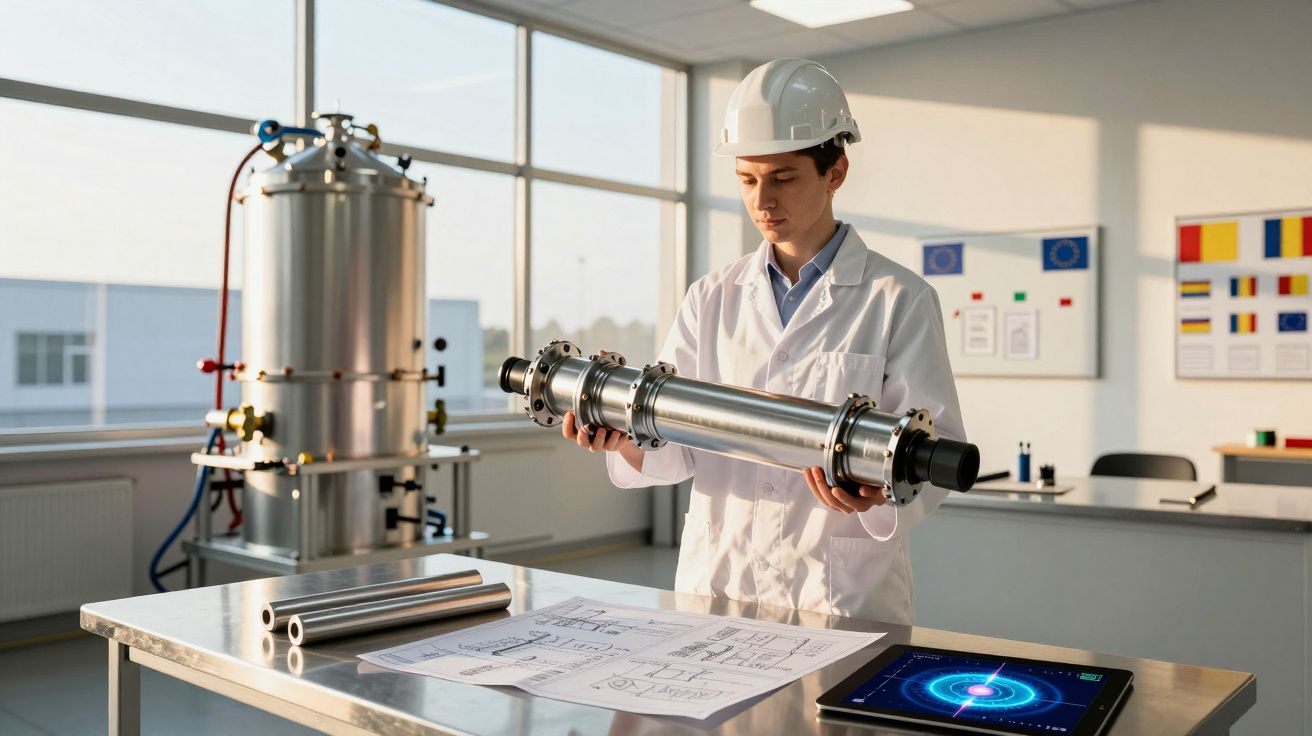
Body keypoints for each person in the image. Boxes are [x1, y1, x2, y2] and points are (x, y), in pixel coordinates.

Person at [561, 58, 965, 626]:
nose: (762, 201)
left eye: (783, 177)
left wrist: (879, 496)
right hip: (719, 583)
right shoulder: (711, 297)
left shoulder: (898, 298)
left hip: (838, 591)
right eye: (747, 180)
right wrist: (621, 440)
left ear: (836, 171)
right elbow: (675, 448)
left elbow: (933, 450)